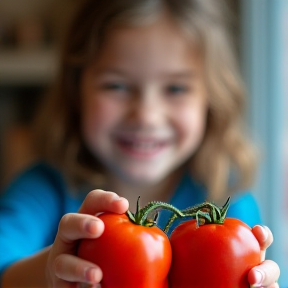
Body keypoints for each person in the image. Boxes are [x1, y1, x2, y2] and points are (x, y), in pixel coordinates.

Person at [0, 0, 280, 287]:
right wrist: (47, 274)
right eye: (116, 85)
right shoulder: (44, 189)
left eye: (175, 88)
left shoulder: (227, 199)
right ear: (76, 91)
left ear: (213, 99)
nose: (146, 116)